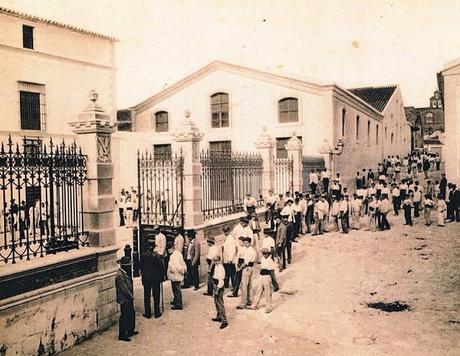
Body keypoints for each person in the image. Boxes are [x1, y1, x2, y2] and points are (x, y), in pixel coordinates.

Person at [139, 238, 165, 319]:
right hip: (155, 279)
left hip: (146, 278)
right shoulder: (157, 256)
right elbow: (162, 267)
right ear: (154, 247)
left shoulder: (143, 256)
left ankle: (148, 313)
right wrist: (161, 276)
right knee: (156, 295)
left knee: (147, 295)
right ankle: (157, 313)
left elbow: (140, 267)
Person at [115, 257, 137, 342]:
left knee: (131, 314)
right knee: (124, 316)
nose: (129, 267)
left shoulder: (124, 272)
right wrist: (131, 296)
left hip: (128, 298)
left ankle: (130, 330)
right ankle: (122, 335)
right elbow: (124, 289)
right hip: (125, 299)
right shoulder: (120, 275)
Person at [250, 248, 275, 314]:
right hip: (261, 276)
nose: (264, 255)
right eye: (263, 254)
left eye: (265, 254)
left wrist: (273, 281)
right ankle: (255, 305)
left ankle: (268, 307)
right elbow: (261, 267)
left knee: (267, 292)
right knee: (259, 291)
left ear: (268, 253)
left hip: (267, 276)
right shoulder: (263, 259)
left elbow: (272, 271)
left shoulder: (270, 260)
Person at [237, 237, 257, 309]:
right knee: (249, 285)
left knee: (244, 286)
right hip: (251, 268)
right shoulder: (252, 250)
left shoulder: (249, 251)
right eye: (244, 243)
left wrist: (239, 268)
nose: (245, 244)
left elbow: (245, 263)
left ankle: (243, 303)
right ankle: (249, 300)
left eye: (246, 243)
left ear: (249, 243)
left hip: (247, 268)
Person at [211, 255, 228, 329]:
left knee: (220, 303)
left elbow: (221, 281)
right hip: (215, 284)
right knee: (216, 302)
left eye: (216, 261)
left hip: (219, 286)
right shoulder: (216, 266)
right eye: (214, 261)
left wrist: (217, 289)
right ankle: (219, 316)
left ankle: (224, 320)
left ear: (219, 260)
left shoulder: (221, 268)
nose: (215, 262)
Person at [167, 244, 187, 310]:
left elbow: (178, 265)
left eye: (169, 248)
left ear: (173, 248)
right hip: (175, 274)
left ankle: (178, 304)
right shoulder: (178, 253)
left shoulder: (174, 256)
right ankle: (176, 300)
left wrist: (182, 271)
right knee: (175, 288)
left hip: (176, 274)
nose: (168, 250)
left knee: (176, 290)